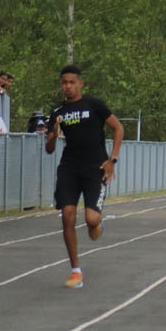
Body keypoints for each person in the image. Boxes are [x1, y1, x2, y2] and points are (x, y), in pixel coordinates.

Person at [42, 65, 124, 289]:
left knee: (91, 220)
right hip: (69, 168)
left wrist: (112, 160)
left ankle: (97, 224)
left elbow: (118, 128)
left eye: (72, 82)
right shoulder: (57, 112)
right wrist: (54, 133)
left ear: (80, 84)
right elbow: (49, 148)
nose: (67, 86)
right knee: (67, 215)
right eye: (64, 82)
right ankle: (75, 270)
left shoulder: (94, 105)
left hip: (95, 168)